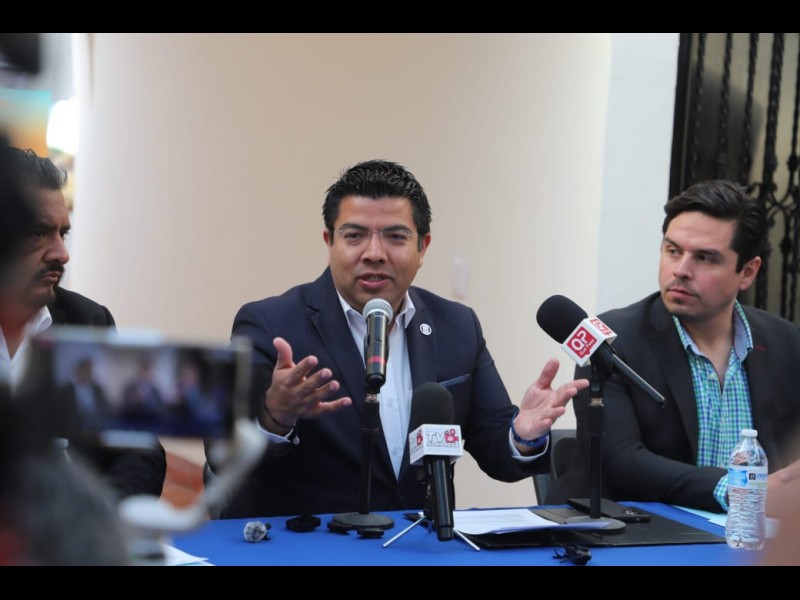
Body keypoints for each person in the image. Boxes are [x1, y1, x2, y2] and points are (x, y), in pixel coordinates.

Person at [209, 159, 588, 518]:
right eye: (354, 236)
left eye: (395, 237)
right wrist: (274, 416)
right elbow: (220, 454)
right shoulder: (271, 324)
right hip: (308, 544)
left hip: (419, 541)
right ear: (329, 242)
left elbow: (495, 447)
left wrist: (521, 435)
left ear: (423, 247)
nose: (374, 253)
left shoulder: (457, 325)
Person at [548, 180, 800, 515]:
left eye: (705, 258)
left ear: (748, 272)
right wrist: (738, 490)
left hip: (753, 534)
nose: (681, 270)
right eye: (673, 251)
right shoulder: (611, 341)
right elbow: (620, 462)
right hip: (634, 531)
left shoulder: (786, 343)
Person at [0, 147, 166, 500]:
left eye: (63, 233)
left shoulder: (87, 321)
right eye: (38, 233)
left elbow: (139, 448)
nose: (62, 254)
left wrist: (94, 519)